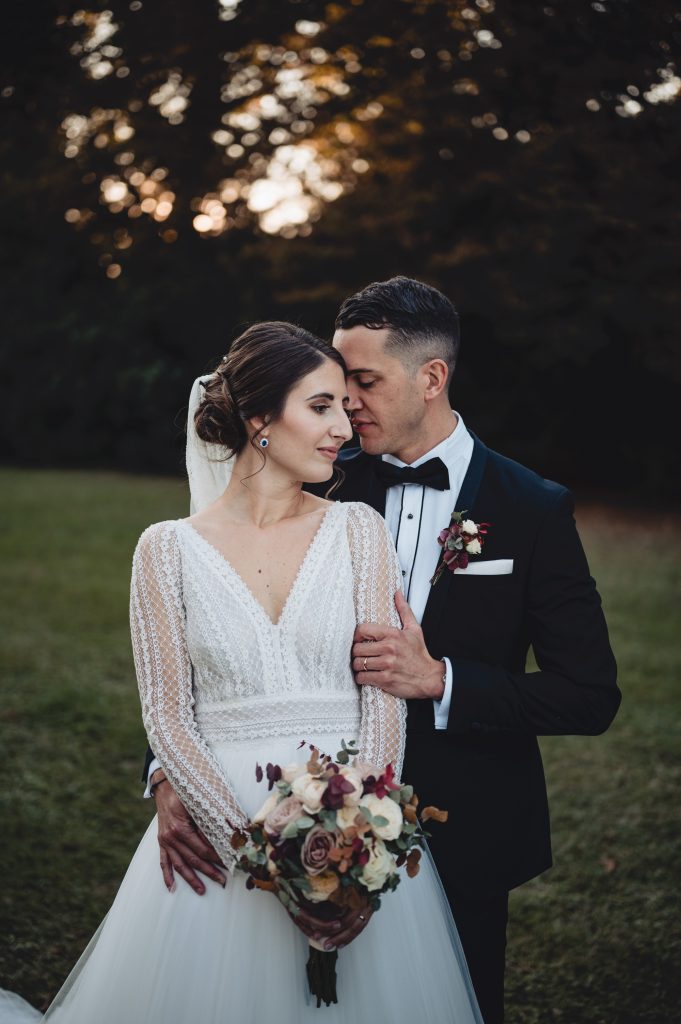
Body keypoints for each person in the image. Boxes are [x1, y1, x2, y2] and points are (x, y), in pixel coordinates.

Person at [150, 279, 621, 1024]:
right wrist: (167, 773)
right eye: (333, 388)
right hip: (287, 809)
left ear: (430, 378)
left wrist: (442, 681)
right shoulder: (320, 473)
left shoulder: (530, 508)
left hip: (462, 825)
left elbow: (589, 694)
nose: (345, 406)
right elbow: (215, 628)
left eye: (362, 383)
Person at [0, 321, 483, 1024]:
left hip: (347, 830)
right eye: (320, 407)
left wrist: (356, 838)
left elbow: (380, 695)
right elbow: (166, 714)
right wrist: (263, 863)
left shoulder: (357, 531)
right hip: (218, 829)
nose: (341, 429)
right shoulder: (163, 550)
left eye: (344, 409)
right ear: (259, 417)